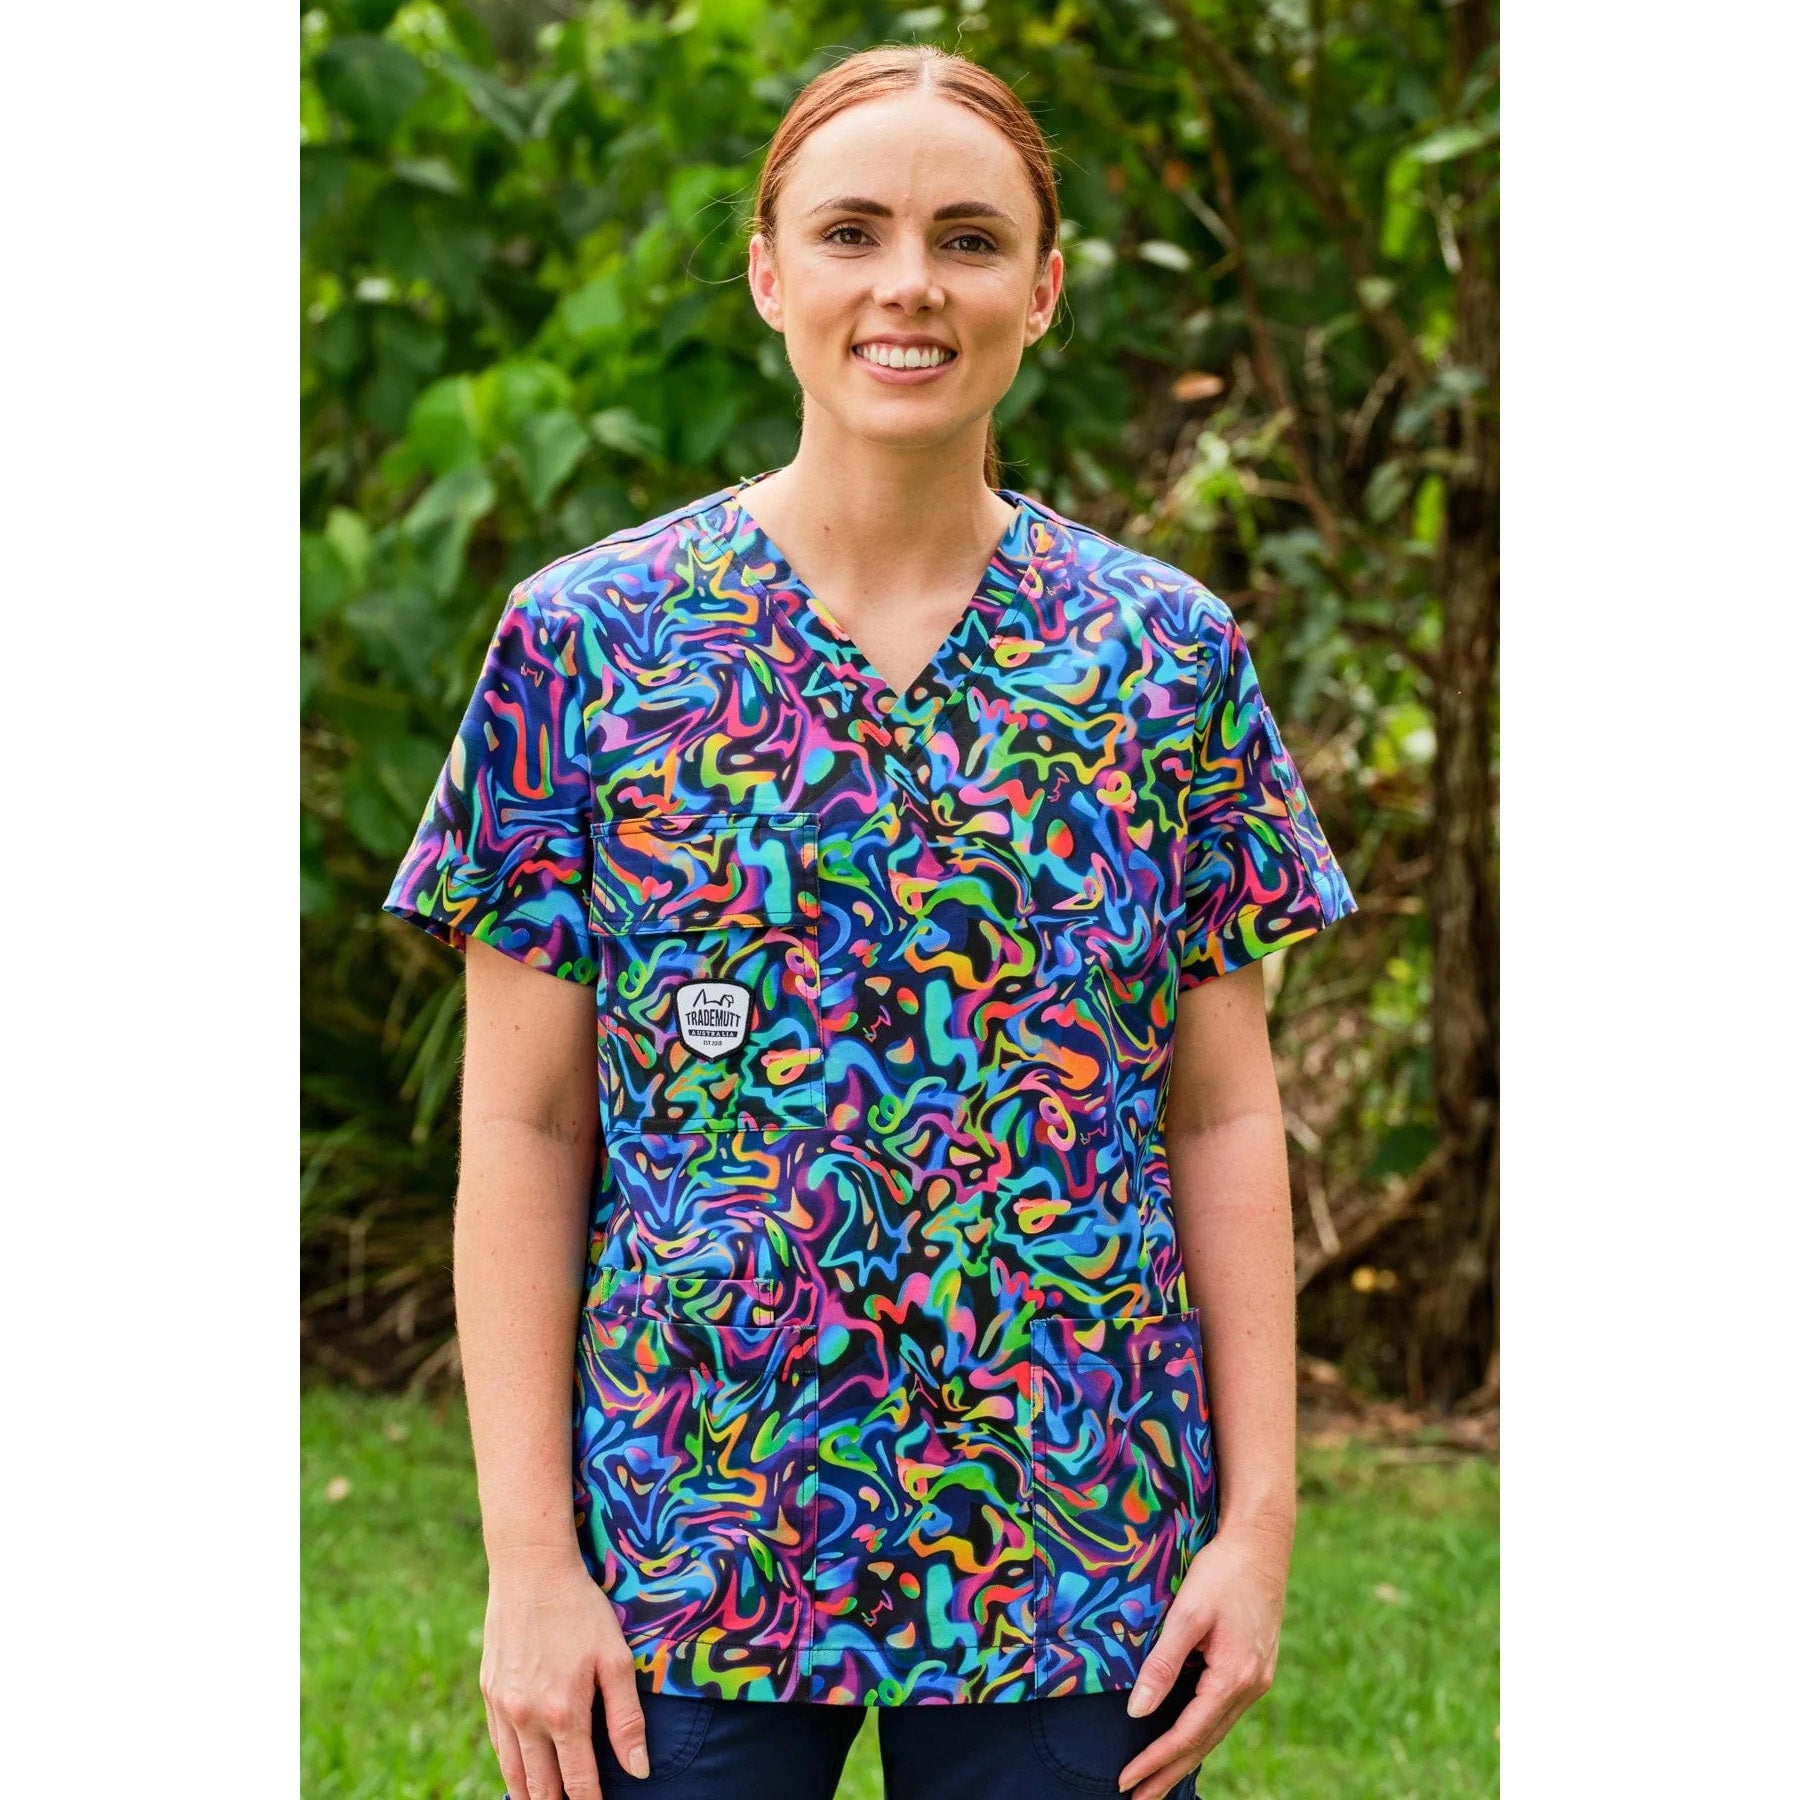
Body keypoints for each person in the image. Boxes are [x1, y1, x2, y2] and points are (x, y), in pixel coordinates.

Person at [383, 42, 1357, 1800]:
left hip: (1080, 1542)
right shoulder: (585, 646)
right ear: (771, 273)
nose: (909, 282)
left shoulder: (1164, 659)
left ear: (1041, 292)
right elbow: (525, 1129)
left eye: (969, 238)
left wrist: (1259, 1527)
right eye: (853, 231)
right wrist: (529, 1561)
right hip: (689, 1538)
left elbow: (1221, 1114)